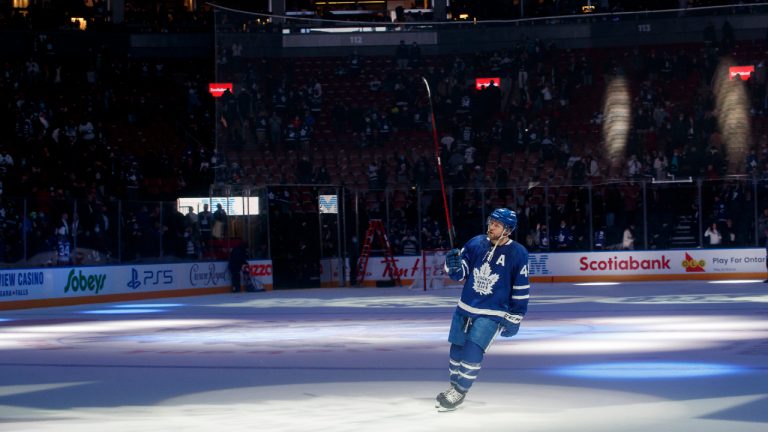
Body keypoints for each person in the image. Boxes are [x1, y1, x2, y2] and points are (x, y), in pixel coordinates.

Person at [436, 208, 530, 412]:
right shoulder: (476, 243)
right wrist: (452, 266)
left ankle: (460, 391)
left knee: (473, 350)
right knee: (456, 350)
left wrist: (516, 316)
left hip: (493, 312)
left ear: (508, 230)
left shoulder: (518, 253)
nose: (491, 227)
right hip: (465, 307)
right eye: (491, 222)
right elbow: (460, 274)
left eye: (497, 224)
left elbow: (521, 287)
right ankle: (453, 387)